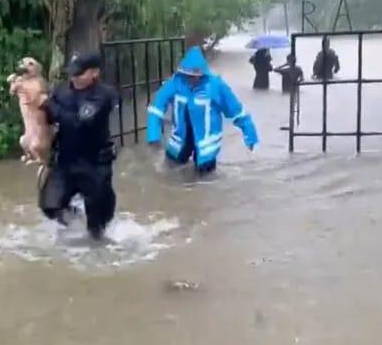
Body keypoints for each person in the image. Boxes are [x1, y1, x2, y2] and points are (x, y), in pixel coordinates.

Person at [38, 52, 118, 240]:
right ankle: (73, 226)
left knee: (97, 228)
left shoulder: (104, 96)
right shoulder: (61, 90)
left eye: (79, 73)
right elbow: (48, 118)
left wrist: (50, 105)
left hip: (95, 164)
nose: (74, 77)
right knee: (49, 205)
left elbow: (78, 122)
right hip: (66, 161)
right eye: (72, 73)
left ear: (94, 73)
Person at [146, 46, 259, 174]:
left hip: (206, 147)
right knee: (170, 172)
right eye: (188, 76)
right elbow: (156, 108)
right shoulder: (175, 83)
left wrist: (250, 136)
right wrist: (153, 136)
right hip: (178, 142)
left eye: (196, 76)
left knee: (205, 181)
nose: (192, 79)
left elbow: (237, 111)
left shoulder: (216, 86)